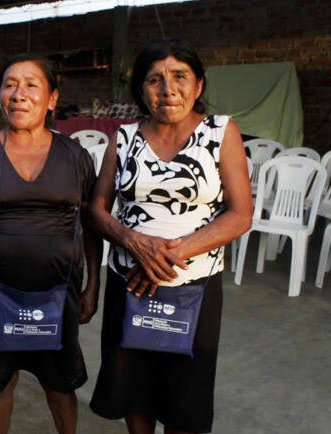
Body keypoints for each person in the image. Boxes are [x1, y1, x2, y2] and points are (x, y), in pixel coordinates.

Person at [88, 39, 252, 434]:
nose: (167, 89)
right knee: (134, 389)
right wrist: (134, 243)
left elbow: (240, 213)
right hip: (129, 285)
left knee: (184, 399)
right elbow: (95, 209)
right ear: (141, 90)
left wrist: (165, 256)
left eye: (180, 77)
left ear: (198, 85)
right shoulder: (123, 138)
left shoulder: (221, 131)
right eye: (154, 80)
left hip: (193, 289)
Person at [0, 53, 101, 434]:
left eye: (31, 85)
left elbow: (91, 225)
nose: (19, 94)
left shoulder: (75, 156)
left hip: (57, 291)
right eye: (10, 84)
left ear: (51, 99)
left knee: (58, 381)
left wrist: (93, 285)